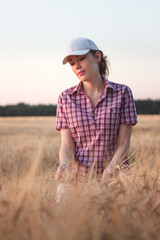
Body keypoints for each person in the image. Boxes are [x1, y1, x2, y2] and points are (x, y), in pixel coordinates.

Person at [55, 37, 137, 183]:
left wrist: (112, 168)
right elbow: (67, 145)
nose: (77, 66)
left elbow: (124, 142)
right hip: (78, 181)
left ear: (97, 56)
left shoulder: (122, 93)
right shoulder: (65, 98)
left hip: (117, 180)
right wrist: (64, 164)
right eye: (72, 63)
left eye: (81, 58)